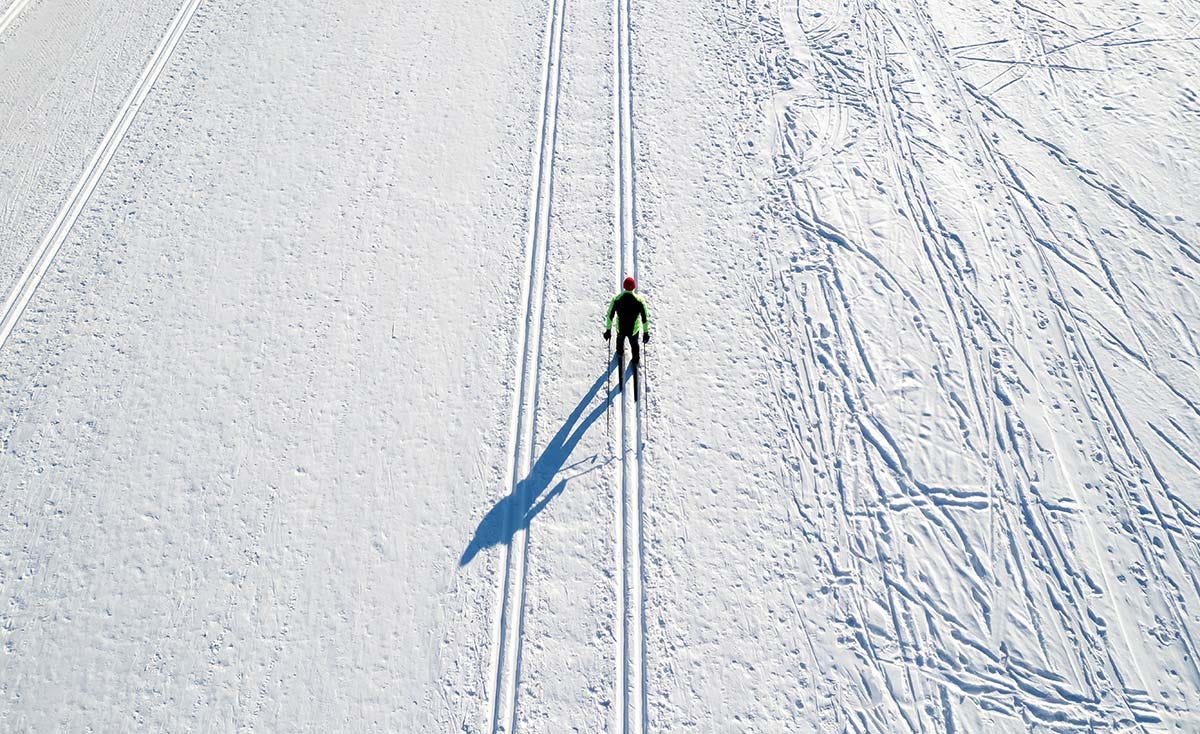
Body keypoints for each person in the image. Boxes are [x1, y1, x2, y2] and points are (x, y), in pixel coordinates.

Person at [603, 276, 649, 389]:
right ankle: (635, 358)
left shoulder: (616, 299)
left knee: (620, 340)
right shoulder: (640, 301)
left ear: (624, 286)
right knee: (634, 344)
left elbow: (610, 316)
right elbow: (645, 318)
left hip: (621, 329)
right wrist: (646, 332)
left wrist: (608, 330)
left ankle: (620, 352)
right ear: (634, 287)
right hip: (634, 330)